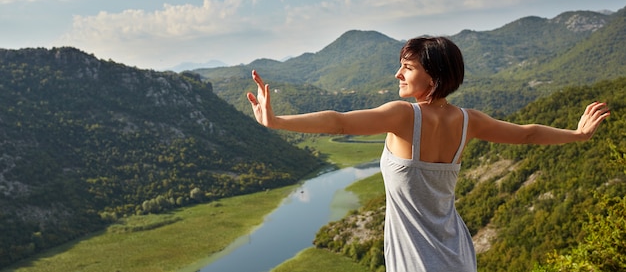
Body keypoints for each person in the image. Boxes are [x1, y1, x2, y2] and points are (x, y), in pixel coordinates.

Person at [246, 36, 610, 272]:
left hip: (417, 263)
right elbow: (528, 134)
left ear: (432, 76)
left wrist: (277, 121)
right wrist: (577, 135)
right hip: (458, 256)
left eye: (407, 67)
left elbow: (340, 123)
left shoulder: (404, 116)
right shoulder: (470, 121)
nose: (397, 74)